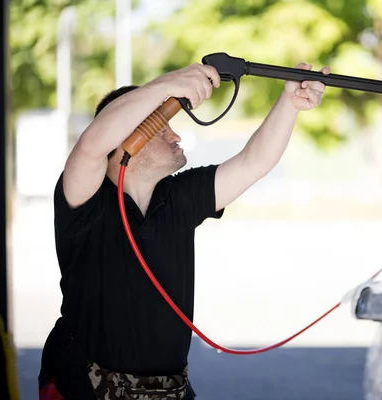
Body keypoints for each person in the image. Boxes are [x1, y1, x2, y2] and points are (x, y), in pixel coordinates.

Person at [38, 61, 329, 399]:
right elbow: (91, 145)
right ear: (125, 140)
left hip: (167, 390)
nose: (176, 135)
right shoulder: (86, 197)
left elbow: (255, 161)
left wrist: (290, 103)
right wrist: (165, 86)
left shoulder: (178, 196)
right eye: (162, 129)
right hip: (85, 388)